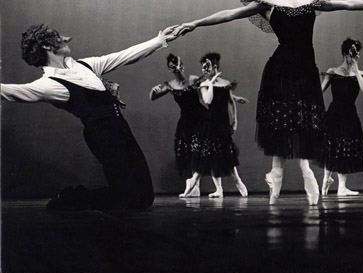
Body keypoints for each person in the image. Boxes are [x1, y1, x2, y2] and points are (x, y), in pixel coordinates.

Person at [174, 0, 363, 206]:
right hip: (280, 70)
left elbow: (347, 3)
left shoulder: (311, 1)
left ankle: (303, 172)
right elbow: (228, 14)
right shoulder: (266, 3)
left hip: (305, 70)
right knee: (282, 122)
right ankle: (278, 172)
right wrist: (194, 23)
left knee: (304, 121)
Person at [1, 23, 181, 210]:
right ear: (46, 46)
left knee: (144, 197)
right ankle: (70, 199)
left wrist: (161, 40)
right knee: (131, 199)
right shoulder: (50, 84)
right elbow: (12, 91)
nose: (64, 38)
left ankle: (74, 198)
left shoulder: (85, 65)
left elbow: (124, 56)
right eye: (57, 36)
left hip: (122, 128)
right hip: (102, 136)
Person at [179, 52, 248, 198]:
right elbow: (208, 100)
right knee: (208, 154)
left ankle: (233, 183)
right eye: (202, 67)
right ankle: (198, 183)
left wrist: (235, 121)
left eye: (207, 67)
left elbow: (230, 101)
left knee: (224, 154)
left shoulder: (225, 83)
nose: (203, 70)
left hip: (222, 123)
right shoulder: (204, 84)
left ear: (214, 66)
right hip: (210, 123)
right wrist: (211, 82)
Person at [320, 38, 363, 196]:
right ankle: (326, 179)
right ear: (344, 54)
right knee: (333, 146)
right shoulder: (333, 72)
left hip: (349, 114)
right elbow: (319, 91)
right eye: (351, 53)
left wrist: (356, 70)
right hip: (335, 113)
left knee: (345, 148)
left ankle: (342, 187)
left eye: (357, 54)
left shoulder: (360, 74)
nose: (354, 56)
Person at [149, 53, 203, 197]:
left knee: (199, 149)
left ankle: (199, 185)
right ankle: (193, 185)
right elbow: (153, 97)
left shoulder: (194, 79)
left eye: (178, 64)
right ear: (170, 69)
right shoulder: (170, 85)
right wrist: (153, 91)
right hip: (185, 120)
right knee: (185, 150)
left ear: (182, 65)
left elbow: (206, 95)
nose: (176, 68)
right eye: (173, 66)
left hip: (200, 118)